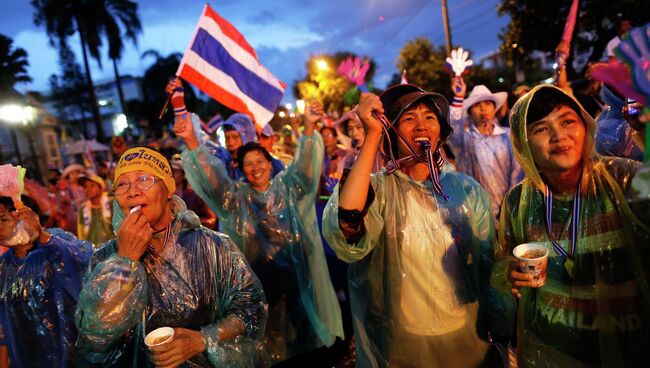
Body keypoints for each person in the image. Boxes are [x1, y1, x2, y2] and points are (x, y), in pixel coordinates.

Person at [322, 84, 515, 367]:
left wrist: (502, 326)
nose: (420, 126)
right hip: (403, 342)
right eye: (408, 119)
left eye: (430, 117)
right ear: (393, 132)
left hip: (465, 334)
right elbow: (347, 232)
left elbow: (487, 264)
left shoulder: (467, 190)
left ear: (441, 130)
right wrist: (373, 134)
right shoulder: (378, 189)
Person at [175, 102, 344, 365]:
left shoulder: (288, 188)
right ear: (241, 171)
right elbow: (213, 182)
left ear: (269, 161)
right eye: (248, 164)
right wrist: (191, 141)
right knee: (269, 348)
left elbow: (306, 169)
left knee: (305, 348)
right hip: (260, 286)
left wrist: (309, 126)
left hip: (297, 284)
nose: (255, 167)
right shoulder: (236, 199)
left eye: (259, 161)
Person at [494, 84, 650, 366]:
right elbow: (504, 259)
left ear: (585, 125)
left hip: (628, 347)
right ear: (523, 142)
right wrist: (509, 273)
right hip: (552, 351)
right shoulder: (519, 200)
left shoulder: (623, 179)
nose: (559, 136)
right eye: (541, 129)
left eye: (567, 121)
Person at [75, 147, 267, 367]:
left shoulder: (212, 246)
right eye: (122, 184)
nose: (132, 192)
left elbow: (251, 307)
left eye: (144, 179)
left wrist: (204, 339)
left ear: (168, 188)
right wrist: (125, 261)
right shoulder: (104, 260)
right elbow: (94, 337)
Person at [0, 195, 92, 367]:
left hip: (71, 356)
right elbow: (3, 327)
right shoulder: (3, 267)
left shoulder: (54, 243)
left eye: (4, 219)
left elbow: (85, 259)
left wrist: (41, 234)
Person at [449, 79, 524, 220]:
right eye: (477, 105)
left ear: (494, 108)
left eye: (488, 104)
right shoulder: (465, 140)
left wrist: (511, 202)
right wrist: (459, 96)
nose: (483, 109)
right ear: (470, 112)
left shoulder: (508, 135)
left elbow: (518, 171)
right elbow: (453, 127)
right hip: (477, 212)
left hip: (510, 210)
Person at [171, 156, 217, 229]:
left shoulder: (194, 195)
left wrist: (190, 224)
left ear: (184, 174)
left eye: (175, 172)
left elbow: (211, 219)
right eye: (170, 172)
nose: (172, 175)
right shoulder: (165, 195)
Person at [76, 173, 113, 247]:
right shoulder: (83, 209)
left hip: (112, 250)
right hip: (92, 252)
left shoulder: (111, 203)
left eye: (92, 185)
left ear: (100, 188)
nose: (88, 189)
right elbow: (81, 234)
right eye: (85, 186)